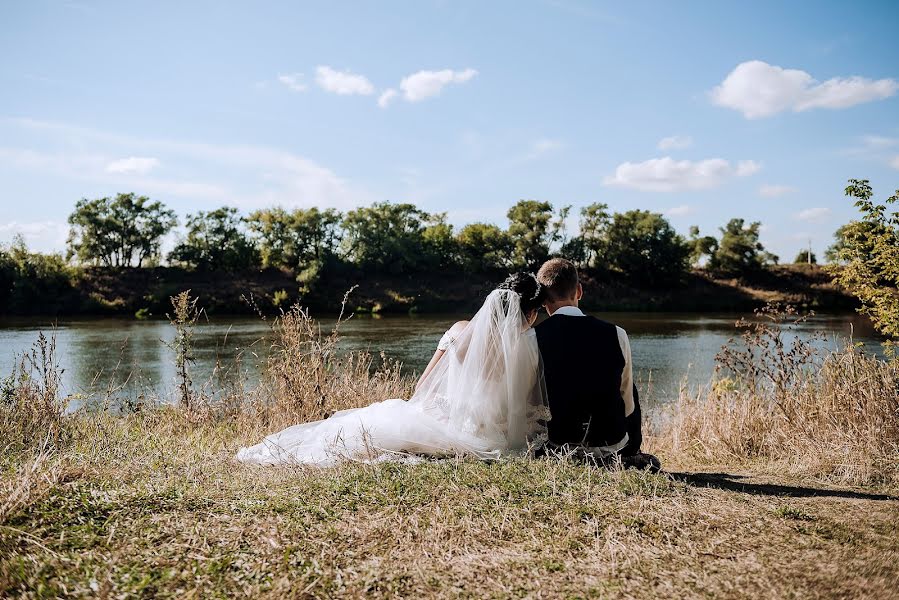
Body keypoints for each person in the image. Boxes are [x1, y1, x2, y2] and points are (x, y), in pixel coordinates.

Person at [237, 273, 550, 466]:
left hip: (451, 423)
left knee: (371, 426)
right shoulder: (531, 346)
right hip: (495, 437)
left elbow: (423, 386)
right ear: (532, 312)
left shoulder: (460, 330)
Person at [534, 258, 660, 471]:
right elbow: (627, 404)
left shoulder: (533, 337)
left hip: (556, 444)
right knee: (629, 388)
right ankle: (631, 453)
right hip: (610, 444)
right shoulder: (617, 333)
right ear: (580, 291)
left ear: (543, 299)